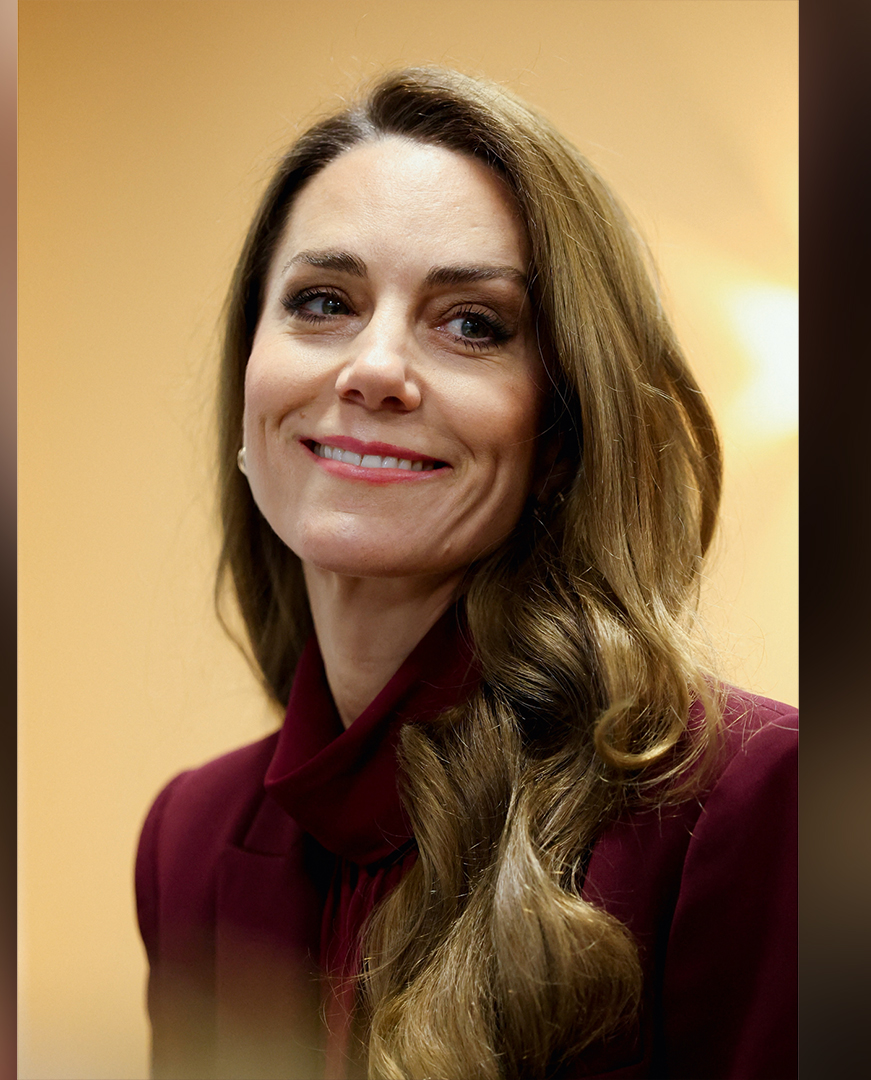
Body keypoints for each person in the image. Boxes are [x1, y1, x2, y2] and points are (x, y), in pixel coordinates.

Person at [134, 67, 796, 1080]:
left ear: (562, 436)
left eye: (472, 323)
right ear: (249, 386)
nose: (373, 369)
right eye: (324, 301)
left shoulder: (746, 807)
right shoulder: (187, 841)